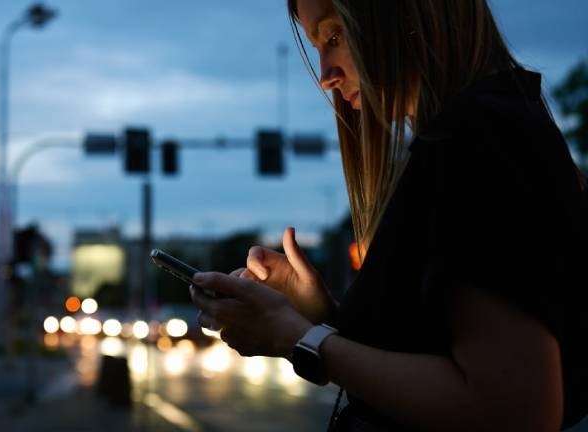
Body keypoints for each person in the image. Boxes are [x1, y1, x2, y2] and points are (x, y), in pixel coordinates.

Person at [189, 0, 588, 430]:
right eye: (319, 46)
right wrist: (318, 314)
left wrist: (295, 336)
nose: (326, 77)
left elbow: (513, 410)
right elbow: (431, 354)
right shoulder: (475, 133)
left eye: (335, 37)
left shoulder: (479, 139)